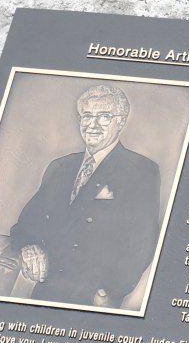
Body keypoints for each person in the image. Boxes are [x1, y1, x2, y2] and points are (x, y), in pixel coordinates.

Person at [9, 84, 162, 308]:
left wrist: (111, 291)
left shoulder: (141, 170)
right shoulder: (60, 167)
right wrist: (29, 246)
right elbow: (26, 224)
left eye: (104, 116)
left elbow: (142, 240)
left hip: (94, 296)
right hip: (47, 289)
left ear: (121, 122)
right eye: (87, 116)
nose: (93, 124)